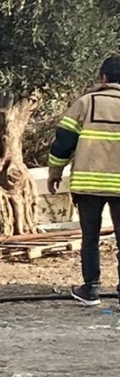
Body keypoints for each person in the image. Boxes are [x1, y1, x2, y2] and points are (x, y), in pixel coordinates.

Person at [47, 54, 120, 306]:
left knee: (90, 238)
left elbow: (63, 142)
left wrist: (54, 173)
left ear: (103, 78)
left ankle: (91, 289)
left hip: (89, 186)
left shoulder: (85, 103)